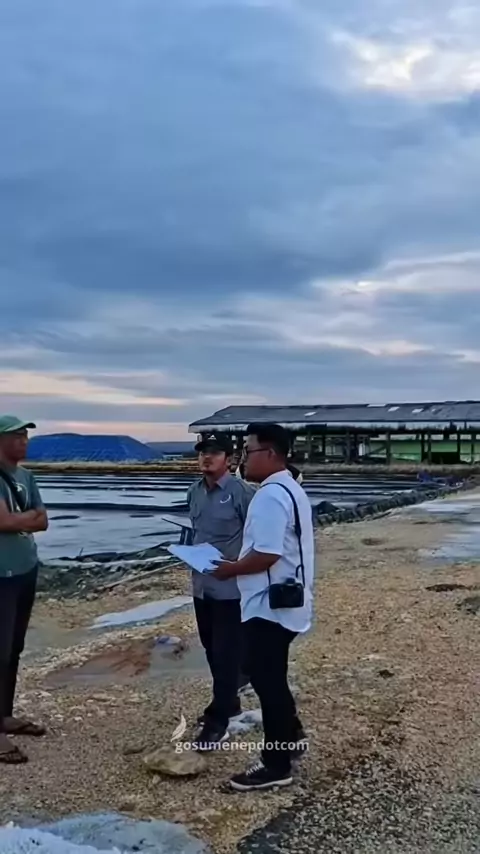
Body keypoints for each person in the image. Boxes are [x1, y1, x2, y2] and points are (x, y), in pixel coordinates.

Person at [212, 423, 314, 791]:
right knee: (268, 674)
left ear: (270, 453)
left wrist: (229, 569)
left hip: (270, 605)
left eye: (248, 451)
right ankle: (292, 736)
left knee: (267, 681)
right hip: (289, 599)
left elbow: (267, 554)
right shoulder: (291, 487)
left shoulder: (270, 495)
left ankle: (276, 764)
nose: (242, 459)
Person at [187, 433, 255, 749]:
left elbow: (259, 538)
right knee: (211, 649)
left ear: (229, 459)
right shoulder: (194, 492)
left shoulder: (243, 493)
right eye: (203, 452)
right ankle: (229, 701)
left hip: (232, 588)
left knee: (226, 653)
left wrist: (241, 566)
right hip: (202, 586)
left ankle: (218, 722)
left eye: (214, 453)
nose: (207, 457)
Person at [0, 416, 48, 764]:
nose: (24, 441)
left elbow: (43, 520)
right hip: (1, 574)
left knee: (13, 649)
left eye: (26, 436)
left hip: (25, 570)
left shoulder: (26, 477)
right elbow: (3, 521)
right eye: (17, 435)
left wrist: (22, 520)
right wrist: (24, 519)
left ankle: (4, 715)